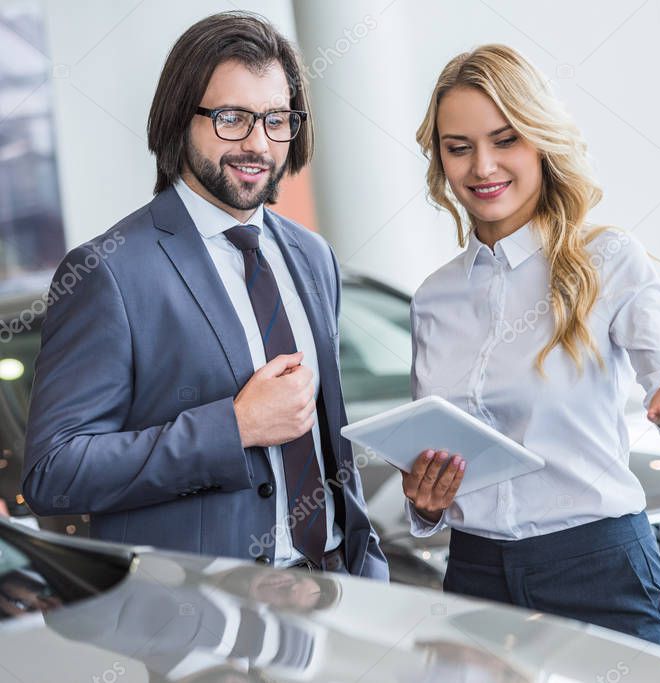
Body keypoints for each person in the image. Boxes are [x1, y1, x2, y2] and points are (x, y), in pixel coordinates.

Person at [20, 11, 387, 579]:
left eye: (275, 119)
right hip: (204, 622)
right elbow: (53, 473)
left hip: (339, 592)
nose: (258, 144)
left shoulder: (313, 256)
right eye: (231, 118)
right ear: (179, 118)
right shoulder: (107, 271)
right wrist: (234, 427)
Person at [401, 44, 660, 653]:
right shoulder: (433, 299)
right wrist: (424, 504)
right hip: (474, 580)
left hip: (597, 570)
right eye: (459, 147)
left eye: (505, 140)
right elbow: (432, 465)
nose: (482, 167)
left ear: (541, 141)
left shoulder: (607, 260)